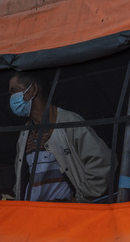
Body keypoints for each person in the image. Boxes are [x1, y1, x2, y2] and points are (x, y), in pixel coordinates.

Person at [9, 71, 112, 203]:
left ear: (33, 89)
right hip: (34, 216)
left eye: (15, 90)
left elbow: (103, 161)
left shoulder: (68, 121)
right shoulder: (24, 135)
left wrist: (81, 198)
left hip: (65, 214)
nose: (12, 97)